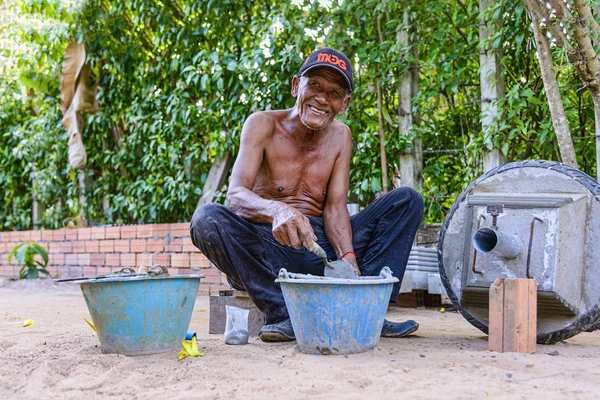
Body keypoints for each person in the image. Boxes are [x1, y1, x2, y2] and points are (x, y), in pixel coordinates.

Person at [190, 48, 424, 342]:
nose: (323, 99)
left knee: (406, 201)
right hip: (267, 248)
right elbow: (235, 196)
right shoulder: (262, 124)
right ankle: (283, 314)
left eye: (334, 92)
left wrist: (347, 256)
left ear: (345, 104)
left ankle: (369, 310)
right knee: (206, 219)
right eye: (314, 85)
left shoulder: (341, 136)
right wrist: (277, 211)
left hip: (318, 248)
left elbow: (335, 207)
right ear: (295, 85)